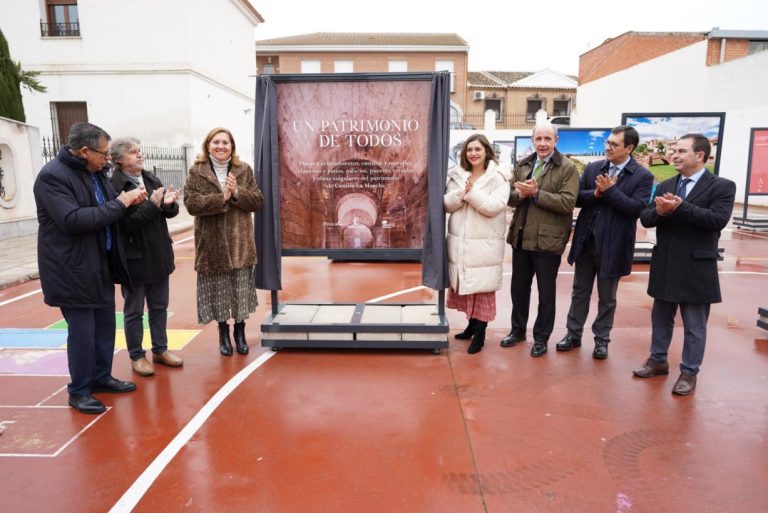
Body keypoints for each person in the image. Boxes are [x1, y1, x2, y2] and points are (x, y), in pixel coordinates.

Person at [33, 122, 147, 414]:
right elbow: (72, 220)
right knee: (83, 333)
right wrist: (120, 204)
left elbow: (109, 209)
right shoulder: (52, 177)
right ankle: (79, 390)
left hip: (99, 264)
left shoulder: (94, 172)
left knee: (105, 327)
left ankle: (100, 376)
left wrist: (131, 203)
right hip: (72, 269)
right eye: (103, 153)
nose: (107, 159)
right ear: (84, 151)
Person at [634, 134, 735, 395]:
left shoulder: (722, 186)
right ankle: (657, 361)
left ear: (699, 156)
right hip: (666, 263)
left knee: (694, 325)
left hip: (696, 267)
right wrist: (660, 211)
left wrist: (679, 207)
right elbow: (645, 218)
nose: (674, 155)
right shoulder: (667, 182)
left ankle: (689, 373)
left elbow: (717, 220)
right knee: (660, 319)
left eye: (681, 151)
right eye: (675, 151)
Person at [557, 126, 654, 359]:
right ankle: (573, 333)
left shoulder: (643, 176)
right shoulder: (593, 168)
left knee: (607, 297)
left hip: (614, 246)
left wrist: (610, 191)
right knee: (579, 291)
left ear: (629, 148)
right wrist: (597, 194)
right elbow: (578, 198)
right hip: (586, 242)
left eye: (614, 144)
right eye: (608, 142)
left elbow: (635, 210)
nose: (607, 147)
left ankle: (602, 340)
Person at [500, 122, 579, 357]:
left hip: (548, 240)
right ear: (532, 141)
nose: (542, 143)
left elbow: (568, 203)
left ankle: (541, 338)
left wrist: (536, 194)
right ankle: (517, 331)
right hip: (522, 237)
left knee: (546, 294)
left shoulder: (567, 168)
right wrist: (520, 194)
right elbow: (511, 199)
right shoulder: (524, 164)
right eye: (538, 139)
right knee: (519, 289)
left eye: (547, 139)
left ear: (556, 141)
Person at [183, 127, 263, 356]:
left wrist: (237, 192)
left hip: (240, 242)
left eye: (225, 142)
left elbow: (257, 201)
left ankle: (239, 331)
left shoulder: (243, 169)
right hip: (212, 243)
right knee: (218, 292)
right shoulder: (196, 171)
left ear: (232, 146)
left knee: (239, 291)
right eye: (216, 142)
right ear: (208, 145)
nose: (221, 146)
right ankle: (223, 333)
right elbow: (191, 204)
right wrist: (222, 198)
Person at [110, 138, 183, 376]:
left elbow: (165, 213)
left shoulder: (151, 178)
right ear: (119, 159)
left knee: (160, 306)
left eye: (140, 151)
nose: (139, 155)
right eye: (133, 153)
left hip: (159, 254)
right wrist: (153, 206)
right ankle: (136, 356)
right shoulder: (114, 186)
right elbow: (125, 224)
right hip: (135, 259)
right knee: (134, 311)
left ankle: (160, 350)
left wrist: (170, 204)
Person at [444, 135, 511, 354]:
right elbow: (446, 203)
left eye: (478, 149)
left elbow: (494, 206)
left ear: (487, 152)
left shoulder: (498, 177)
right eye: (469, 149)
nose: (473, 153)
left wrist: (471, 193)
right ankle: (471, 325)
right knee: (466, 285)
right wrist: (460, 194)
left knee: (481, 288)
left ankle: (480, 332)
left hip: (484, 245)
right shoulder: (456, 175)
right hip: (461, 242)